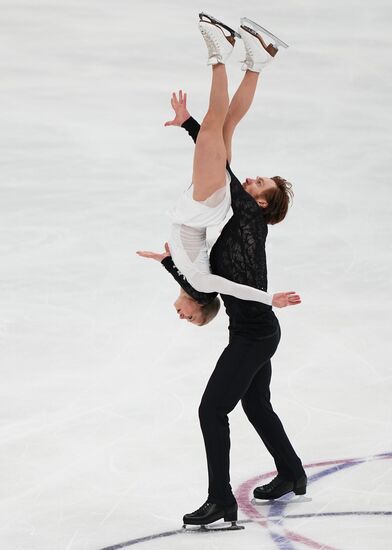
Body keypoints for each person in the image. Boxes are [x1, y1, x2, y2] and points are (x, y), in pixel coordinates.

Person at [140, 13, 307, 529]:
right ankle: (293, 473)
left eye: (260, 186)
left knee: (214, 410)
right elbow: (205, 284)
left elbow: (212, 283)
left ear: (261, 204)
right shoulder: (245, 213)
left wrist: (267, 299)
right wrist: (191, 127)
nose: (252, 180)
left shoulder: (249, 216)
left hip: (256, 330)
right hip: (257, 330)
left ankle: (221, 501)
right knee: (255, 406)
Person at [137, 15, 301, 327]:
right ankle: (219, 51)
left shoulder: (195, 278)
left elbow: (183, 279)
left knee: (225, 124)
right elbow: (228, 288)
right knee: (217, 120)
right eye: (189, 318)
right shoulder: (203, 284)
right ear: (202, 309)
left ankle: (257, 62)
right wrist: (271, 300)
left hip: (203, 206)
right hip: (202, 205)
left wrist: (165, 261)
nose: (182, 315)